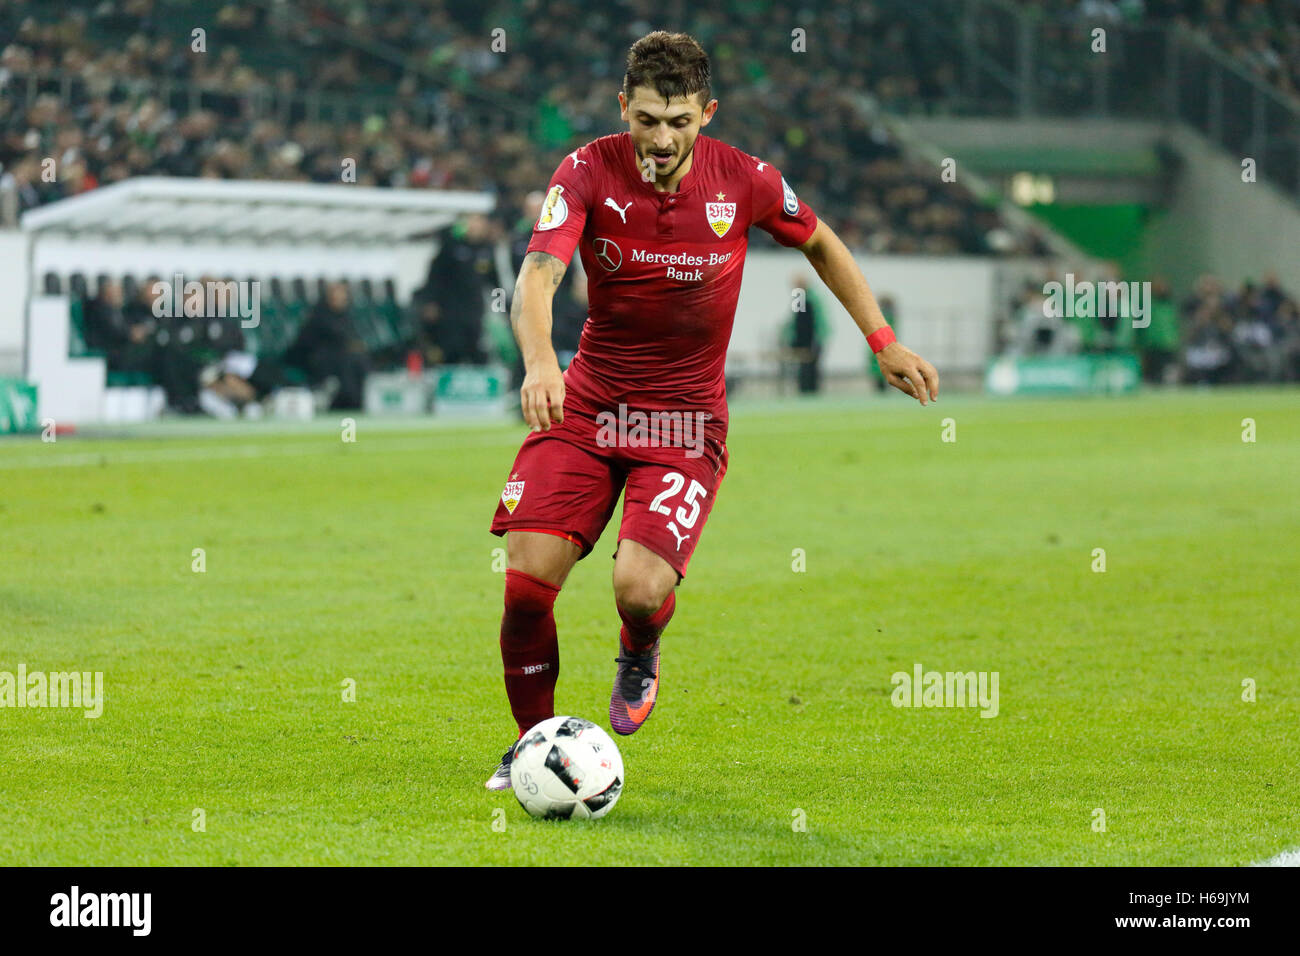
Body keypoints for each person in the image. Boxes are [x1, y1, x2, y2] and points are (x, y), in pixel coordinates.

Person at [483, 31, 938, 790]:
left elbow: (821, 241)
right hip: (591, 405)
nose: (661, 139)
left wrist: (881, 339)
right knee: (527, 581)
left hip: (685, 425)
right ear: (622, 105)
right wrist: (540, 362)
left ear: (707, 113)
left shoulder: (746, 180)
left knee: (640, 587)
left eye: (680, 122)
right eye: (647, 120)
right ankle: (535, 748)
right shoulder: (586, 171)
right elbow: (538, 276)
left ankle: (639, 648)